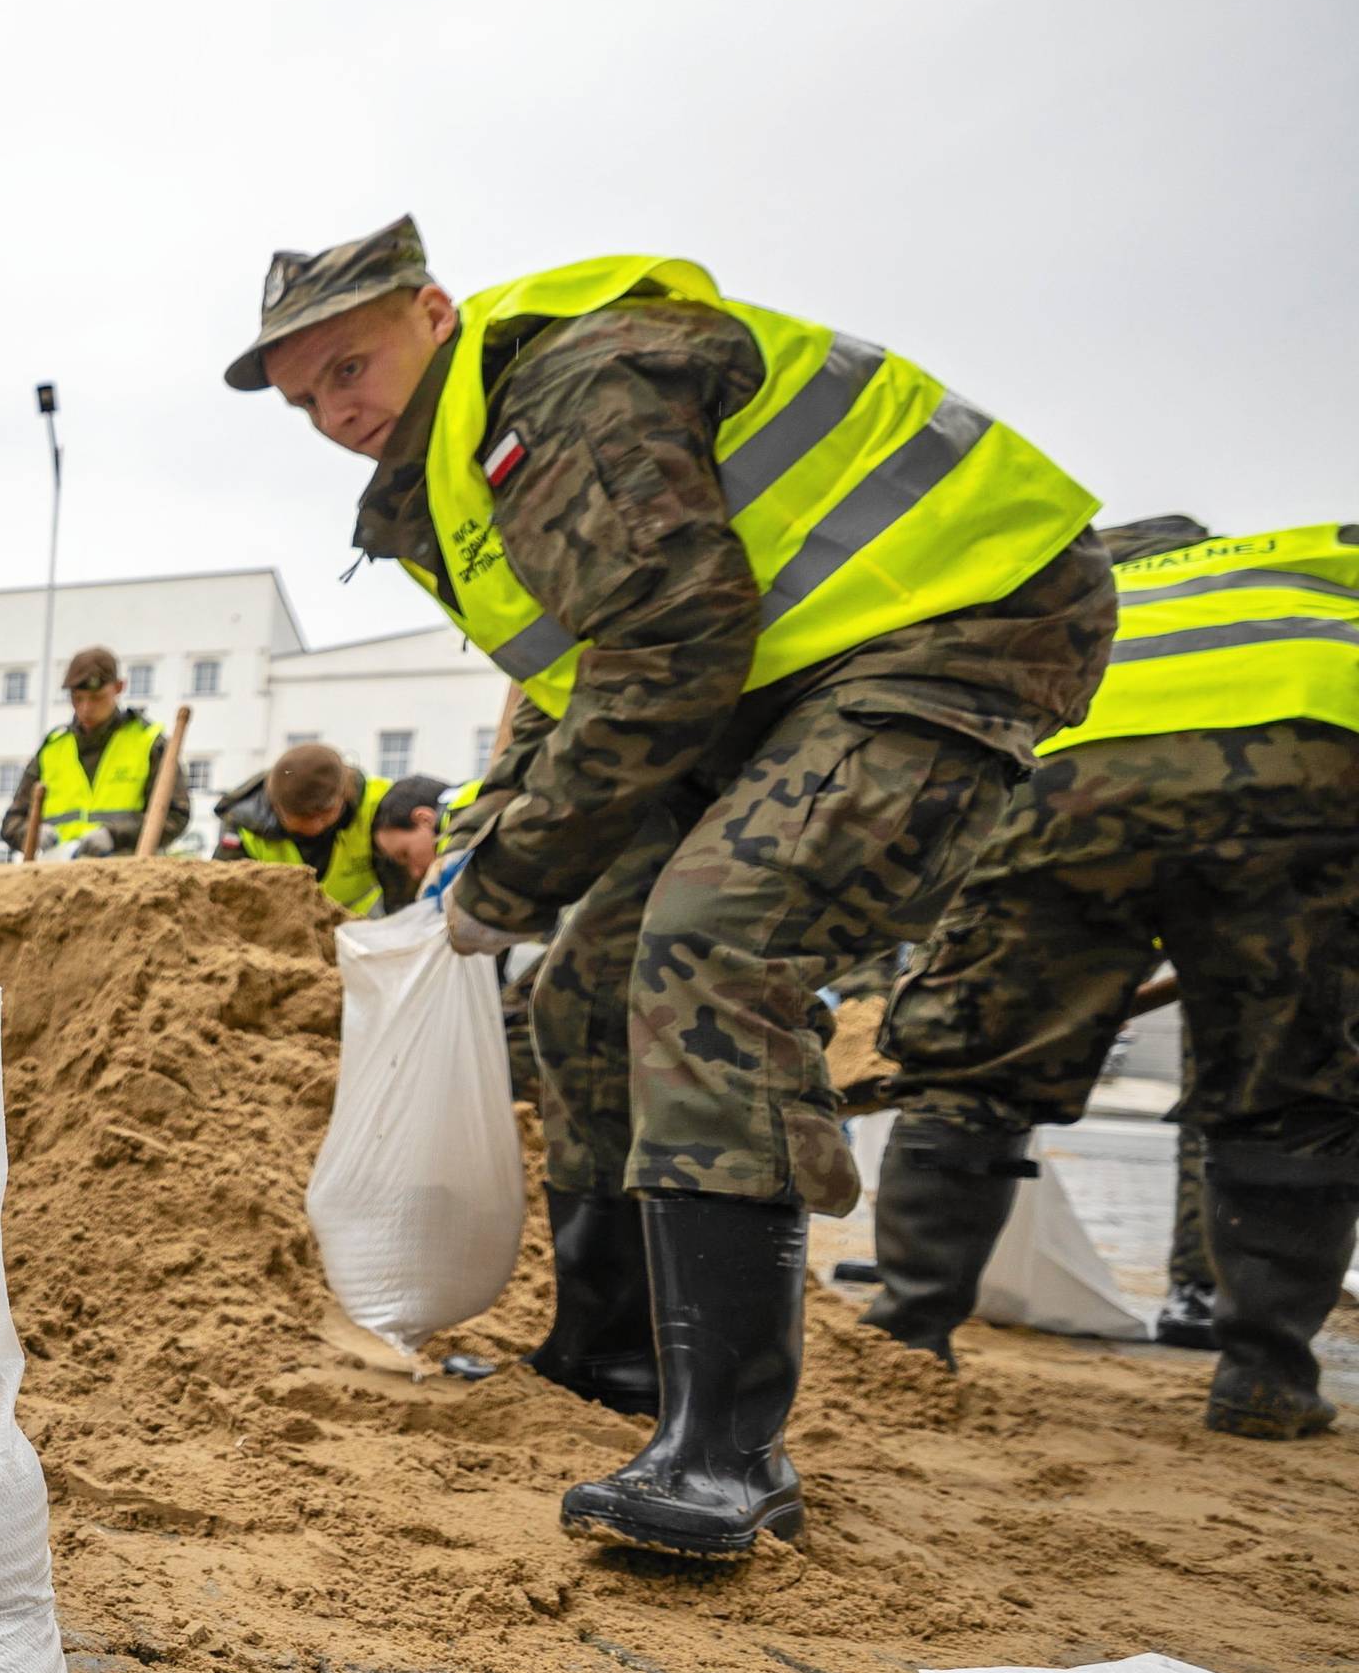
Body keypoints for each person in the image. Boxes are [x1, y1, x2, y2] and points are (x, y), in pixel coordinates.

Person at [236, 212, 1107, 1559]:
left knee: (714, 944)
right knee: (585, 990)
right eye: (305, 401)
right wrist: (501, 826)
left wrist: (520, 874)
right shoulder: (464, 476)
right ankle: (612, 1359)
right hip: (774, 690)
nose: (333, 412)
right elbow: (577, 677)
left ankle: (728, 1454)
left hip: (951, 627)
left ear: (433, 312)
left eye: (347, 368)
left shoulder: (565, 394)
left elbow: (671, 641)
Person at [867, 515, 1359, 1435]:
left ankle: (904, 1341)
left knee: (970, 1068)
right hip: (1310, 761)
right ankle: (1265, 1380)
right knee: (1293, 1085)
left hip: (1073, 777)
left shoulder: (1103, 572)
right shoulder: (1324, 554)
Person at [212, 745, 443, 916]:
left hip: (361, 925)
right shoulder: (243, 825)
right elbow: (225, 898)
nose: (315, 825)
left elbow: (403, 898)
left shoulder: (378, 806)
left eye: (325, 813)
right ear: (276, 808)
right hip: (279, 932)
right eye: (303, 817)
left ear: (345, 795)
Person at [3, 647, 170, 856]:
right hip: (58, 876)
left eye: (96, 697)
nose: (85, 708)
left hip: (127, 876)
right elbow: (12, 822)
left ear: (119, 687)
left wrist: (115, 835)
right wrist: (31, 833)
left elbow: (174, 815)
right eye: (77, 698)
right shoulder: (53, 747)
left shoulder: (149, 742)